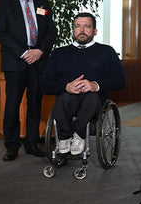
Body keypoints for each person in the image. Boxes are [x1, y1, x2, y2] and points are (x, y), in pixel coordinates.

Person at [40, 13, 126, 155]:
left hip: (94, 101)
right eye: (78, 26)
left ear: (95, 31)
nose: (81, 30)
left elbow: (121, 80)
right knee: (65, 96)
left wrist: (95, 85)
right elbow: (45, 84)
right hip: (67, 101)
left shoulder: (107, 52)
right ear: (73, 30)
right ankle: (65, 137)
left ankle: (79, 136)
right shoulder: (59, 54)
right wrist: (66, 86)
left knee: (91, 97)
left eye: (87, 26)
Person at [0, 0, 57, 161]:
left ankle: (32, 143)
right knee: (12, 104)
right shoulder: (5, 3)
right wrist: (23, 53)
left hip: (38, 61)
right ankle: (12, 146)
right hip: (15, 61)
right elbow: (1, 34)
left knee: (35, 105)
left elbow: (51, 32)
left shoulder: (43, 5)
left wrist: (39, 51)